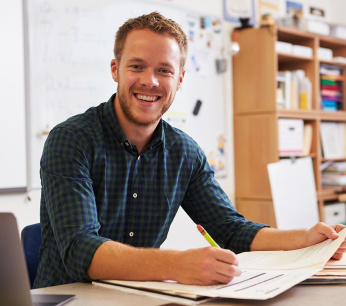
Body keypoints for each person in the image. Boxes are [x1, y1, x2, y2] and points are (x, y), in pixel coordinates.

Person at [34, 12, 346, 289]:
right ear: (115, 69)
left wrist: (304, 239)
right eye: (137, 66)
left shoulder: (185, 153)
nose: (150, 81)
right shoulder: (71, 140)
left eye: (165, 71)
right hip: (68, 296)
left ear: (180, 78)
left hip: (139, 296)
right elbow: (80, 249)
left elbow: (231, 230)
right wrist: (177, 264)